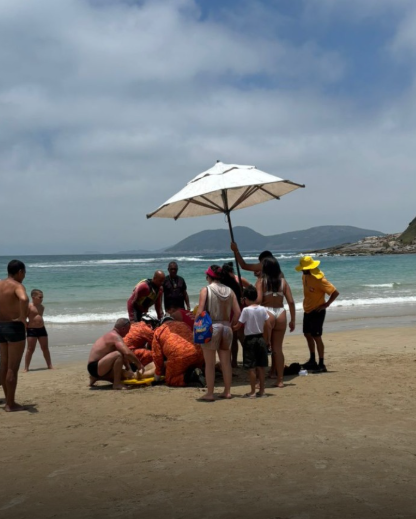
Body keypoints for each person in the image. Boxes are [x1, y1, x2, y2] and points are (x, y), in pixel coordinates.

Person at [196, 265, 241, 401]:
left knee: (209, 363)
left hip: (212, 327)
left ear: (209, 277)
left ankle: (210, 393)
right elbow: (238, 312)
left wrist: (196, 328)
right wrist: (232, 324)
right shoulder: (230, 291)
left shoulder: (206, 290)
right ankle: (227, 392)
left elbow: (200, 311)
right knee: (226, 362)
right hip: (226, 327)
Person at [255, 257, 296, 388]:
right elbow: (291, 302)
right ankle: (280, 380)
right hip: (281, 313)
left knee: (261, 349)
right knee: (278, 349)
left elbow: (259, 300)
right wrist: (293, 320)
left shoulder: (261, 282)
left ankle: (259, 381)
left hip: (267, 313)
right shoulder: (283, 282)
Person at [295, 256, 339, 373]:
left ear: (310, 268)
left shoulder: (320, 280)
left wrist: (327, 304)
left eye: (304, 268)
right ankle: (312, 361)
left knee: (316, 337)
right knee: (307, 334)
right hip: (307, 310)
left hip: (317, 311)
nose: (302, 270)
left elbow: (335, 292)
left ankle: (321, 364)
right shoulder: (304, 276)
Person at [0, 259, 29, 412]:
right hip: (13, 327)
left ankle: (8, 400)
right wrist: (23, 317)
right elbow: (24, 299)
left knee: (4, 366)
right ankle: (10, 404)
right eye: (24, 273)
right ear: (20, 272)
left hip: (0, 326)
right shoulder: (17, 286)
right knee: (12, 368)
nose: (24, 276)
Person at [233, 285, 270, 398]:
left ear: (245, 298)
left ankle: (253, 391)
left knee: (251, 367)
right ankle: (262, 390)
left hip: (250, 339)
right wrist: (268, 339)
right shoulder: (263, 309)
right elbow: (268, 324)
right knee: (261, 366)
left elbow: (239, 325)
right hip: (260, 338)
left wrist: (231, 327)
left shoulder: (246, 310)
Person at [87, 318, 144, 389]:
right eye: (128, 329)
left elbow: (123, 353)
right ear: (123, 329)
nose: (128, 332)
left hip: (99, 366)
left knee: (124, 376)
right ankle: (117, 384)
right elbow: (127, 353)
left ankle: (95, 378)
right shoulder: (115, 336)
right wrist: (139, 365)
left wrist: (128, 368)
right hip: (95, 367)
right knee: (117, 355)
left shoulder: (111, 334)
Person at [152, 317, 204, 387]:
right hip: (199, 353)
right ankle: (199, 370)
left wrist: (157, 375)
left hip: (179, 355)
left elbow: (157, 356)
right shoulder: (184, 324)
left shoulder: (158, 331)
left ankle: (192, 375)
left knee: (170, 379)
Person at [221, 261, 250, 368]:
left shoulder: (237, 280)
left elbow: (251, 289)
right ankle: (236, 361)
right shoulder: (225, 281)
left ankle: (243, 360)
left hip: (236, 309)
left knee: (239, 337)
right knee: (236, 338)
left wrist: (244, 295)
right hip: (233, 310)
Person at [24, 289, 53, 372]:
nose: (42, 299)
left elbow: (39, 317)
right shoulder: (29, 306)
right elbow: (23, 317)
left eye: (42, 297)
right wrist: (26, 325)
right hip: (32, 330)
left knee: (45, 348)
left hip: (42, 329)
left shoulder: (42, 307)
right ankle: (26, 367)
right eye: (40, 297)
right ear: (33, 297)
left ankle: (49, 365)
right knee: (30, 349)